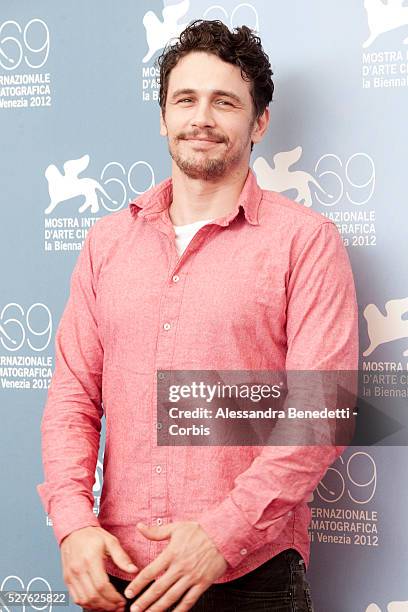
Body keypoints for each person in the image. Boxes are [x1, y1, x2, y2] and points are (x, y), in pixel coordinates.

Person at [37, 19, 358, 612]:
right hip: (119, 573)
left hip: (251, 579)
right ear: (163, 117)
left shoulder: (306, 242)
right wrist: (73, 522)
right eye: (185, 100)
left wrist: (223, 533)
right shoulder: (107, 243)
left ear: (258, 121)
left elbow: (321, 413)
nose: (201, 118)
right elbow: (72, 399)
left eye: (224, 102)